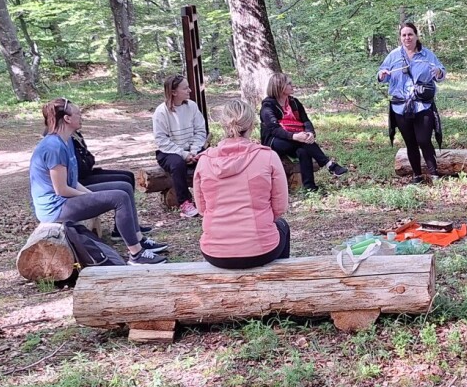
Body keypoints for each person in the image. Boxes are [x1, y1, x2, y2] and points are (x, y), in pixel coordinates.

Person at [29, 98, 168, 265]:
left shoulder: (66, 141)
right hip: (55, 208)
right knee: (119, 198)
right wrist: (91, 196)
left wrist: (92, 195)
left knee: (123, 187)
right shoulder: (53, 147)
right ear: (67, 118)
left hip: (66, 199)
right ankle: (136, 254)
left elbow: (72, 181)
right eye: (78, 114)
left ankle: (138, 238)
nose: (82, 117)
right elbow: (61, 190)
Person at [195, 99, 290, 269]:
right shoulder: (267, 157)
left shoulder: (204, 161)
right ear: (252, 125)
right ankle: (278, 282)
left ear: (223, 125)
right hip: (261, 250)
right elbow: (280, 207)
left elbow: (202, 209)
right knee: (282, 226)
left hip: (214, 252)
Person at [378, 23, 446, 184]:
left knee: (423, 139)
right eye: (404, 35)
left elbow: (441, 73)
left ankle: (434, 174)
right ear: (400, 38)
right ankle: (417, 176)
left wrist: (438, 72)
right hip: (400, 107)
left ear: (416, 36)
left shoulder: (427, 55)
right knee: (410, 142)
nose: (407, 38)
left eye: (410, 34)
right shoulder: (394, 55)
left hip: (423, 105)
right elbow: (382, 75)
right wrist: (382, 74)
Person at [259, 73, 348, 192]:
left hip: (295, 137)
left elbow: (305, 120)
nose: (292, 85)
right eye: (289, 83)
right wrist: (295, 136)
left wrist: (310, 132)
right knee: (303, 144)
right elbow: (274, 130)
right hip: (274, 141)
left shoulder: (294, 102)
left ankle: (310, 187)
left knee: (303, 150)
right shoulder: (268, 106)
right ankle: (329, 164)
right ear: (280, 86)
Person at [152, 75, 207, 218]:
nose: (189, 90)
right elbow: (162, 140)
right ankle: (185, 202)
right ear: (174, 92)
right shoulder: (161, 112)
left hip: (192, 148)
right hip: (169, 151)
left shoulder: (192, 106)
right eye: (185, 88)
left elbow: (200, 131)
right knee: (177, 164)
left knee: (209, 158)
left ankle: (210, 197)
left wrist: (194, 150)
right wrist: (184, 154)